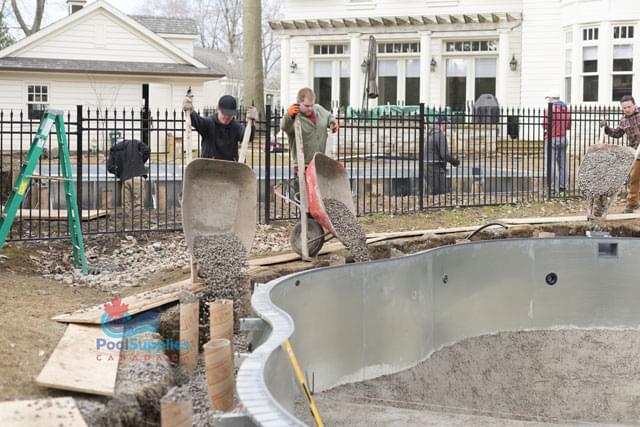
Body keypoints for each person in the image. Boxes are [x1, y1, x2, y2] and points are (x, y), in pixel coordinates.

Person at [182, 94, 256, 161]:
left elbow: (248, 137)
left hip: (231, 170)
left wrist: (252, 124)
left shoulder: (236, 127)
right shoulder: (208, 123)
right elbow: (197, 121)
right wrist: (190, 111)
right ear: (218, 109)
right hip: (208, 169)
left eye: (230, 115)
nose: (227, 117)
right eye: (224, 113)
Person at [601, 95, 640, 212]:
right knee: (634, 178)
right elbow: (617, 134)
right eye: (624, 108)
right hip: (636, 152)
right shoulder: (623, 120)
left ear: (634, 105)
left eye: (629, 106)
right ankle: (632, 203)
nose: (627, 109)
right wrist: (606, 129)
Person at [280, 87, 338, 165]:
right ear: (298, 103)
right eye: (306, 106)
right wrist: (289, 116)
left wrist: (333, 123)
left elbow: (329, 116)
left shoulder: (319, 109)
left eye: (312, 105)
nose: (310, 108)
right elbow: (284, 126)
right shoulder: (294, 117)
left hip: (320, 163)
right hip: (303, 165)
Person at [107, 139, 150, 219]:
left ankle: (127, 223)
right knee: (138, 203)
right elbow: (147, 150)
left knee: (126, 205)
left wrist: (120, 172)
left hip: (125, 179)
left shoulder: (114, 149)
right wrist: (140, 161)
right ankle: (137, 222)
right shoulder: (134, 142)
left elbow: (110, 167)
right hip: (138, 176)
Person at [542, 89, 571, 195]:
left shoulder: (549, 109)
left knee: (551, 164)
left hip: (551, 138)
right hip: (563, 138)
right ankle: (562, 187)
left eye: (549, 98)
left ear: (553, 99)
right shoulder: (566, 109)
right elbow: (568, 126)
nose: (548, 100)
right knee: (563, 164)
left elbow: (545, 125)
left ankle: (552, 188)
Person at [425, 115, 459, 195]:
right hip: (435, 168)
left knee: (434, 193)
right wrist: (455, 162)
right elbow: (444, 154)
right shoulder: (440, 136)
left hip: (428, 166)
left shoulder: (431, 134)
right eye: (447, 123)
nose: (447, 126)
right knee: (442, 194)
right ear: (443, 124)